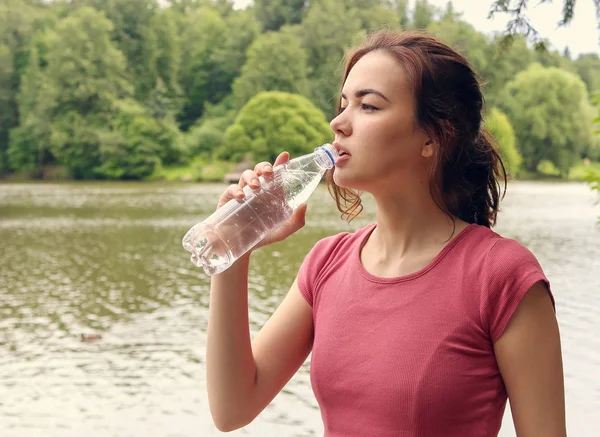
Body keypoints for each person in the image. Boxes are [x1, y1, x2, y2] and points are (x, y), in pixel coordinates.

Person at [205, 30, 566, 437]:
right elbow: (232, 408)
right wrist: (233, 249)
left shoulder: (501, 276)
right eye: (343, 104)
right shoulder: (327, 263)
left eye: (369, 106)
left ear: (434, 136)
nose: (338, 123)